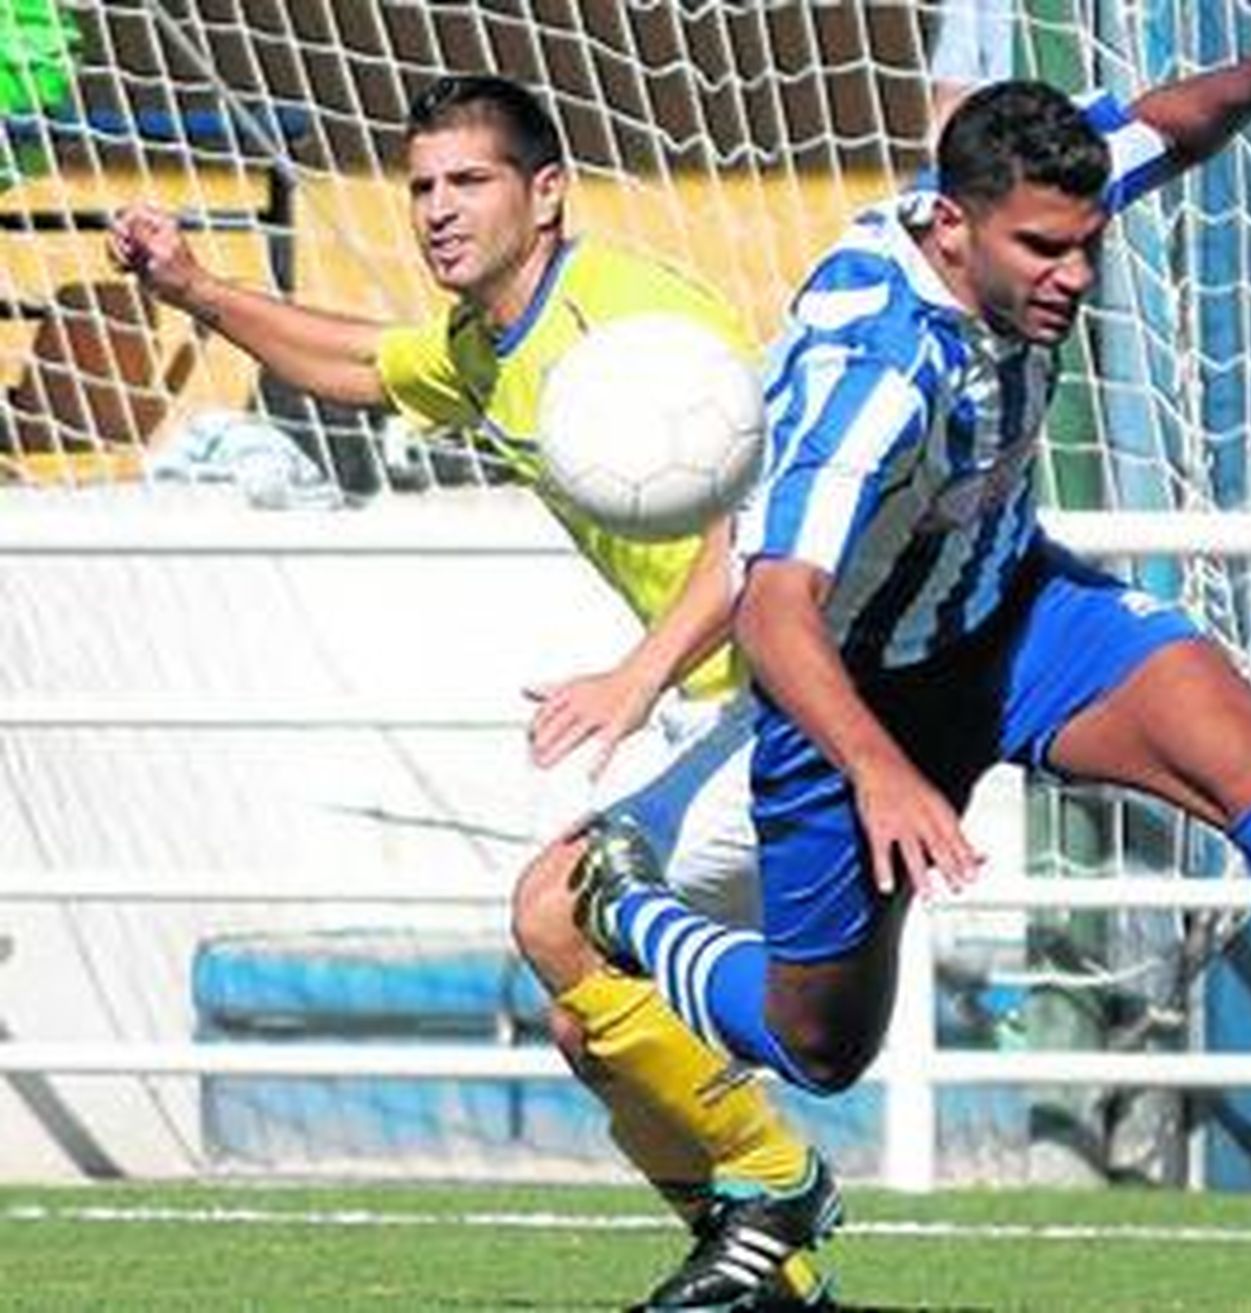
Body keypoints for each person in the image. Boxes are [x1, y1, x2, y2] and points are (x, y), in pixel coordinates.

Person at [562, 2, 1251, 1304]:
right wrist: (881, 770)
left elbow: (1165, 124)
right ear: (951, 229)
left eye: (1088, 242)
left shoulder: (1039, 204)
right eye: (1043, 250)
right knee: (817, 1041)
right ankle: (624, 903)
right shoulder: (869, 371)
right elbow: (773, 605)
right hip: (857, 689)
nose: (1073, 273)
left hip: (1017, 616)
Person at [108, 74, 836, 1312]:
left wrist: (635, 674)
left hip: (810, 693)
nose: (438, 209)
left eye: (469, 181)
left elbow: (775, 509)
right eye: (423, 187)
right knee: (591, 1020)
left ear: (546, 194)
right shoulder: (479, 341)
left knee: (557, 911)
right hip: (726, 706)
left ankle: (780, 1179)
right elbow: (357, 362)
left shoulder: (633, 317)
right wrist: (194, 289)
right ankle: (771, 1267)